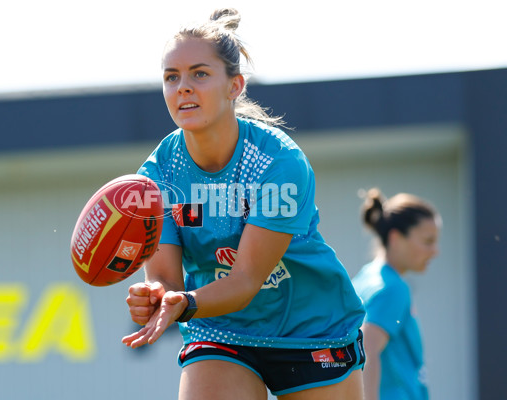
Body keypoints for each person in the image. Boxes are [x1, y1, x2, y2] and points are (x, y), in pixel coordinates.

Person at [121, 8, 366, 399]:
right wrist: (156, 295)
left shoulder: (278, 162)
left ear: (235, 86)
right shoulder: (158, 175)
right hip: (220, 329)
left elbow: (247, 280)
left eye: (199, 73)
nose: (183, 86)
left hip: (310, 328)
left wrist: (180, 302)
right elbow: (167, 279)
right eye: (172, 77)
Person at [352, 188, 442, 400]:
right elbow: (367, 349)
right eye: (428, 241)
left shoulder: (364, 278)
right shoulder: (393, 288)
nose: (435, 250)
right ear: (395, 238)